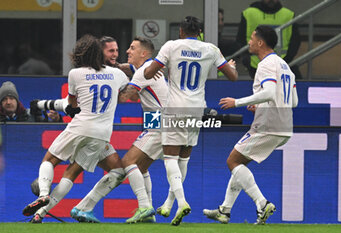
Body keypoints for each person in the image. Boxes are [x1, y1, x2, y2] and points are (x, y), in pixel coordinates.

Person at [22, 34, 129, 223]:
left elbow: (71, 105)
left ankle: (43, 194)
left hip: (79, 127)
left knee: (50, 159)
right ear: (100, 53)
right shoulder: (118, 75)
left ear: (79, 54)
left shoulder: (76, 74)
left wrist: (46, 105)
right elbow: (128, 90)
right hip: (102, 134)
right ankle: (41, 214)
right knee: (72, 173)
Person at [144, 16, 238, 226]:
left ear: (180, 31)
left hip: (175, 107)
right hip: (197, 108)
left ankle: (181, 201)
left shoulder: (171, 46)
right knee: (184, 158)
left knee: (170, 158)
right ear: (200, 32)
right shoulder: (211, 49)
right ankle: (168, 205)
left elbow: (149, 73)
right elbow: (232, 76)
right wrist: (231, 66)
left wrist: (162, 65)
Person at [203, 25, 298, 225]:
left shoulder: (266, 64)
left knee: (233, 161)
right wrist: (261, 104)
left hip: (269, 124)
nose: (249, 42)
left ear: (261, 42)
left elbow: (270, 92)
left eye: (252, 38)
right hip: (284, 125)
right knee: (240, 163)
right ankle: (224, 211)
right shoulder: (285, 66)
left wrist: (236, 102)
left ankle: (262, 204)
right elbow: (294, 100)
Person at [70, 37, 167, 224]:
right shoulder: (145, 68)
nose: (127, 51)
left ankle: (145, 206)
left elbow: (124, 98)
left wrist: (99, 88)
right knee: (141, 167)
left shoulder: (142, 73)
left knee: (128, 162)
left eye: (132, 48)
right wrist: (109, 68)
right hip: (163, 120)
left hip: (160, 121)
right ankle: (148, 212)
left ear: (143, 53)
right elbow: (123, 68)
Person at [235, 0, 301, 79]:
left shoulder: (288, 15)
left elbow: (295, 41)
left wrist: (287, 60)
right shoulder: (249, 14)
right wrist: (246, 60)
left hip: (282, 65)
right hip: (254, 66)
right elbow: (240, 40)